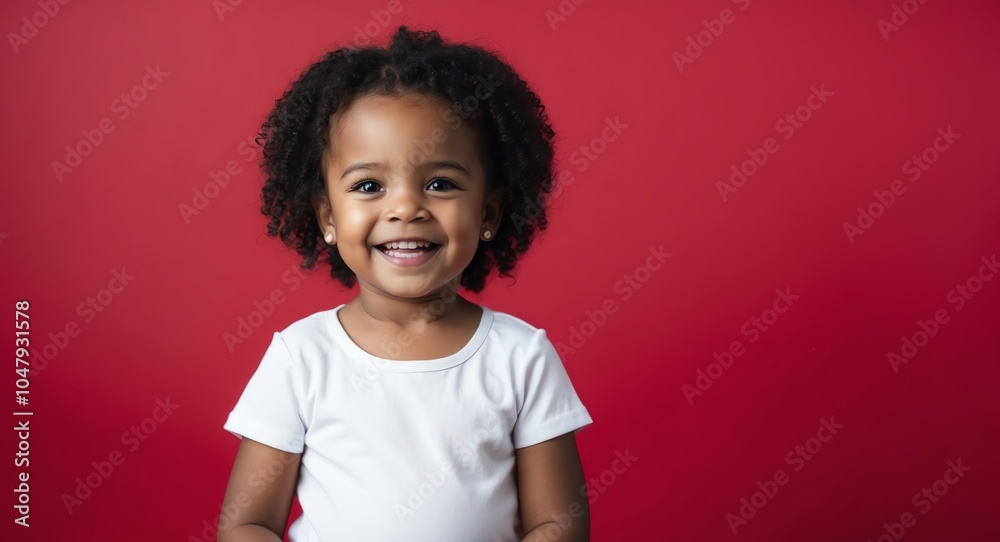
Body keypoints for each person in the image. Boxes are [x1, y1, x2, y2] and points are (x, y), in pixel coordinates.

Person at [218, 24, 593, 542]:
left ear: (488, 213)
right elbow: (247, 523)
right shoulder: (301, 358)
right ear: (328, 217)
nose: (405, 208)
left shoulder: (520, 358)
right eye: (369, 185)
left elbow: (559, 523)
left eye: (440, 183)